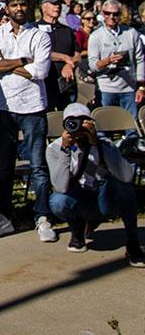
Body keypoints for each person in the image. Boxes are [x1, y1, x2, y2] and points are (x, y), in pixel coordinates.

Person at [0, 0, 56, 243]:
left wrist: (9, 65)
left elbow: (41, 72)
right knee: (5, 167)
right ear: (7, 7)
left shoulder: (40, 36)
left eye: (23, 4)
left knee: (37, 165)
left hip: (33, 107)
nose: (19, 9)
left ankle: (42, 216)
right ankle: (5, 217)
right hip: (4, 108)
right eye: (14, 5)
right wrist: (25, 60)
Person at [46, 103, 144, 267]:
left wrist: (97, 145)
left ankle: (133, 243)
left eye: (83, 121)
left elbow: (127, 176)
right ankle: (77, 230)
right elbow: (61, 187)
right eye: (72, 122)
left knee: (124, 187)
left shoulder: (103, 143)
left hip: (103, 198)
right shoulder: (55, 148)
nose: (78, 127)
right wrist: (65, 151)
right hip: (77, 198)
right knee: (57, 200)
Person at [87, 0, 144, 120]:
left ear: (120, 15)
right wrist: (107, 61)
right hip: (105, 87)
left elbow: (140, 59)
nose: (111, 17)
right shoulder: (95, 36)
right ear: (102, 14)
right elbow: (92, 65)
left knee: (131, 127)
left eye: (115, 14)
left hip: (128, 87)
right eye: (107, 13)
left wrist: (141, 87)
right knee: (104, 127)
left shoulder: (132, 33)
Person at [37, 0, 81, 111]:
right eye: (53, 4)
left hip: (67, 85)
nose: (57, 7)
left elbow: (77, 54)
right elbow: (37, 53)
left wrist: (69, 64)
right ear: (44, 7)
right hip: (44, 85)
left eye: (59, 4)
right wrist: (65, 58)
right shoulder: (34, 29)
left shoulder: (67, 30)